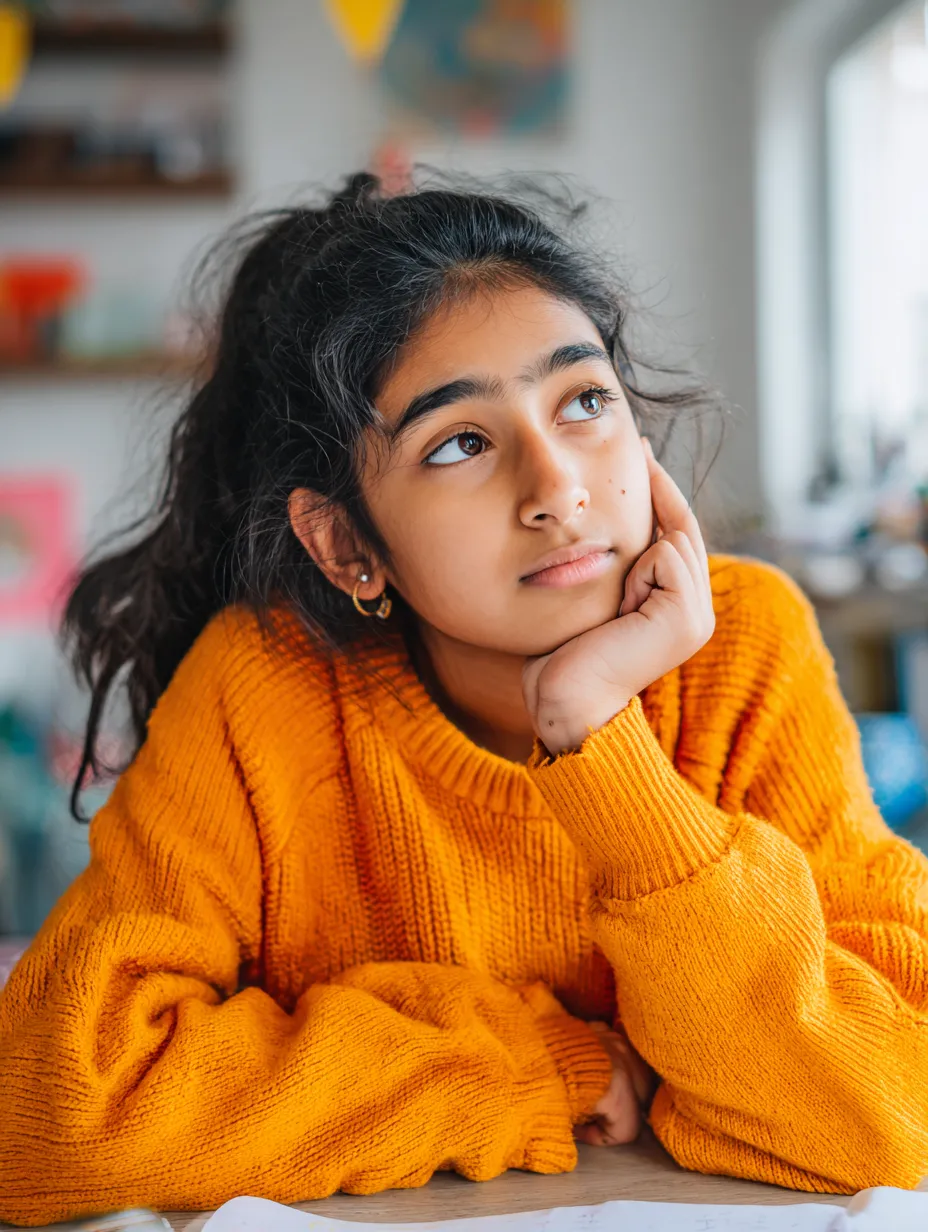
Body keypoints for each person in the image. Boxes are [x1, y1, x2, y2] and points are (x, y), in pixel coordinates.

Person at [1, 173, 926, 1227]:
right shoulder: (262, 687)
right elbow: (53, 1108)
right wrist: (531, 1067)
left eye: (584, 401)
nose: (556, 487)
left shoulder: (743, 643)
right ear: (347, 544)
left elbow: (894, 1105)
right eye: (459, 444)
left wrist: (598, 739)